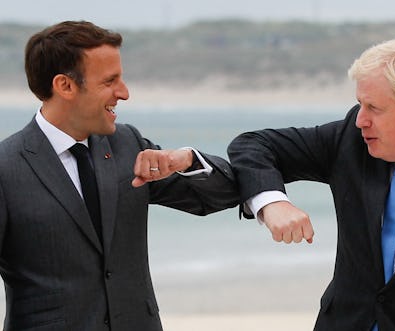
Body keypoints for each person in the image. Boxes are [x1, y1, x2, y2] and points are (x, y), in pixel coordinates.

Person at [227, 37, 395, 330]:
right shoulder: (350, 141)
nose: (361, 120)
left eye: (374, 108)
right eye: (360, 105)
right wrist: (272, 202)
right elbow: (253, 145)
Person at [0, 21, 238, 331]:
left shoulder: (128, 144)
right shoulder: (6, 168)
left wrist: (187, 159)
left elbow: (223, 193)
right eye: (110, 81)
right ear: (65, 86)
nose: (123, 93)